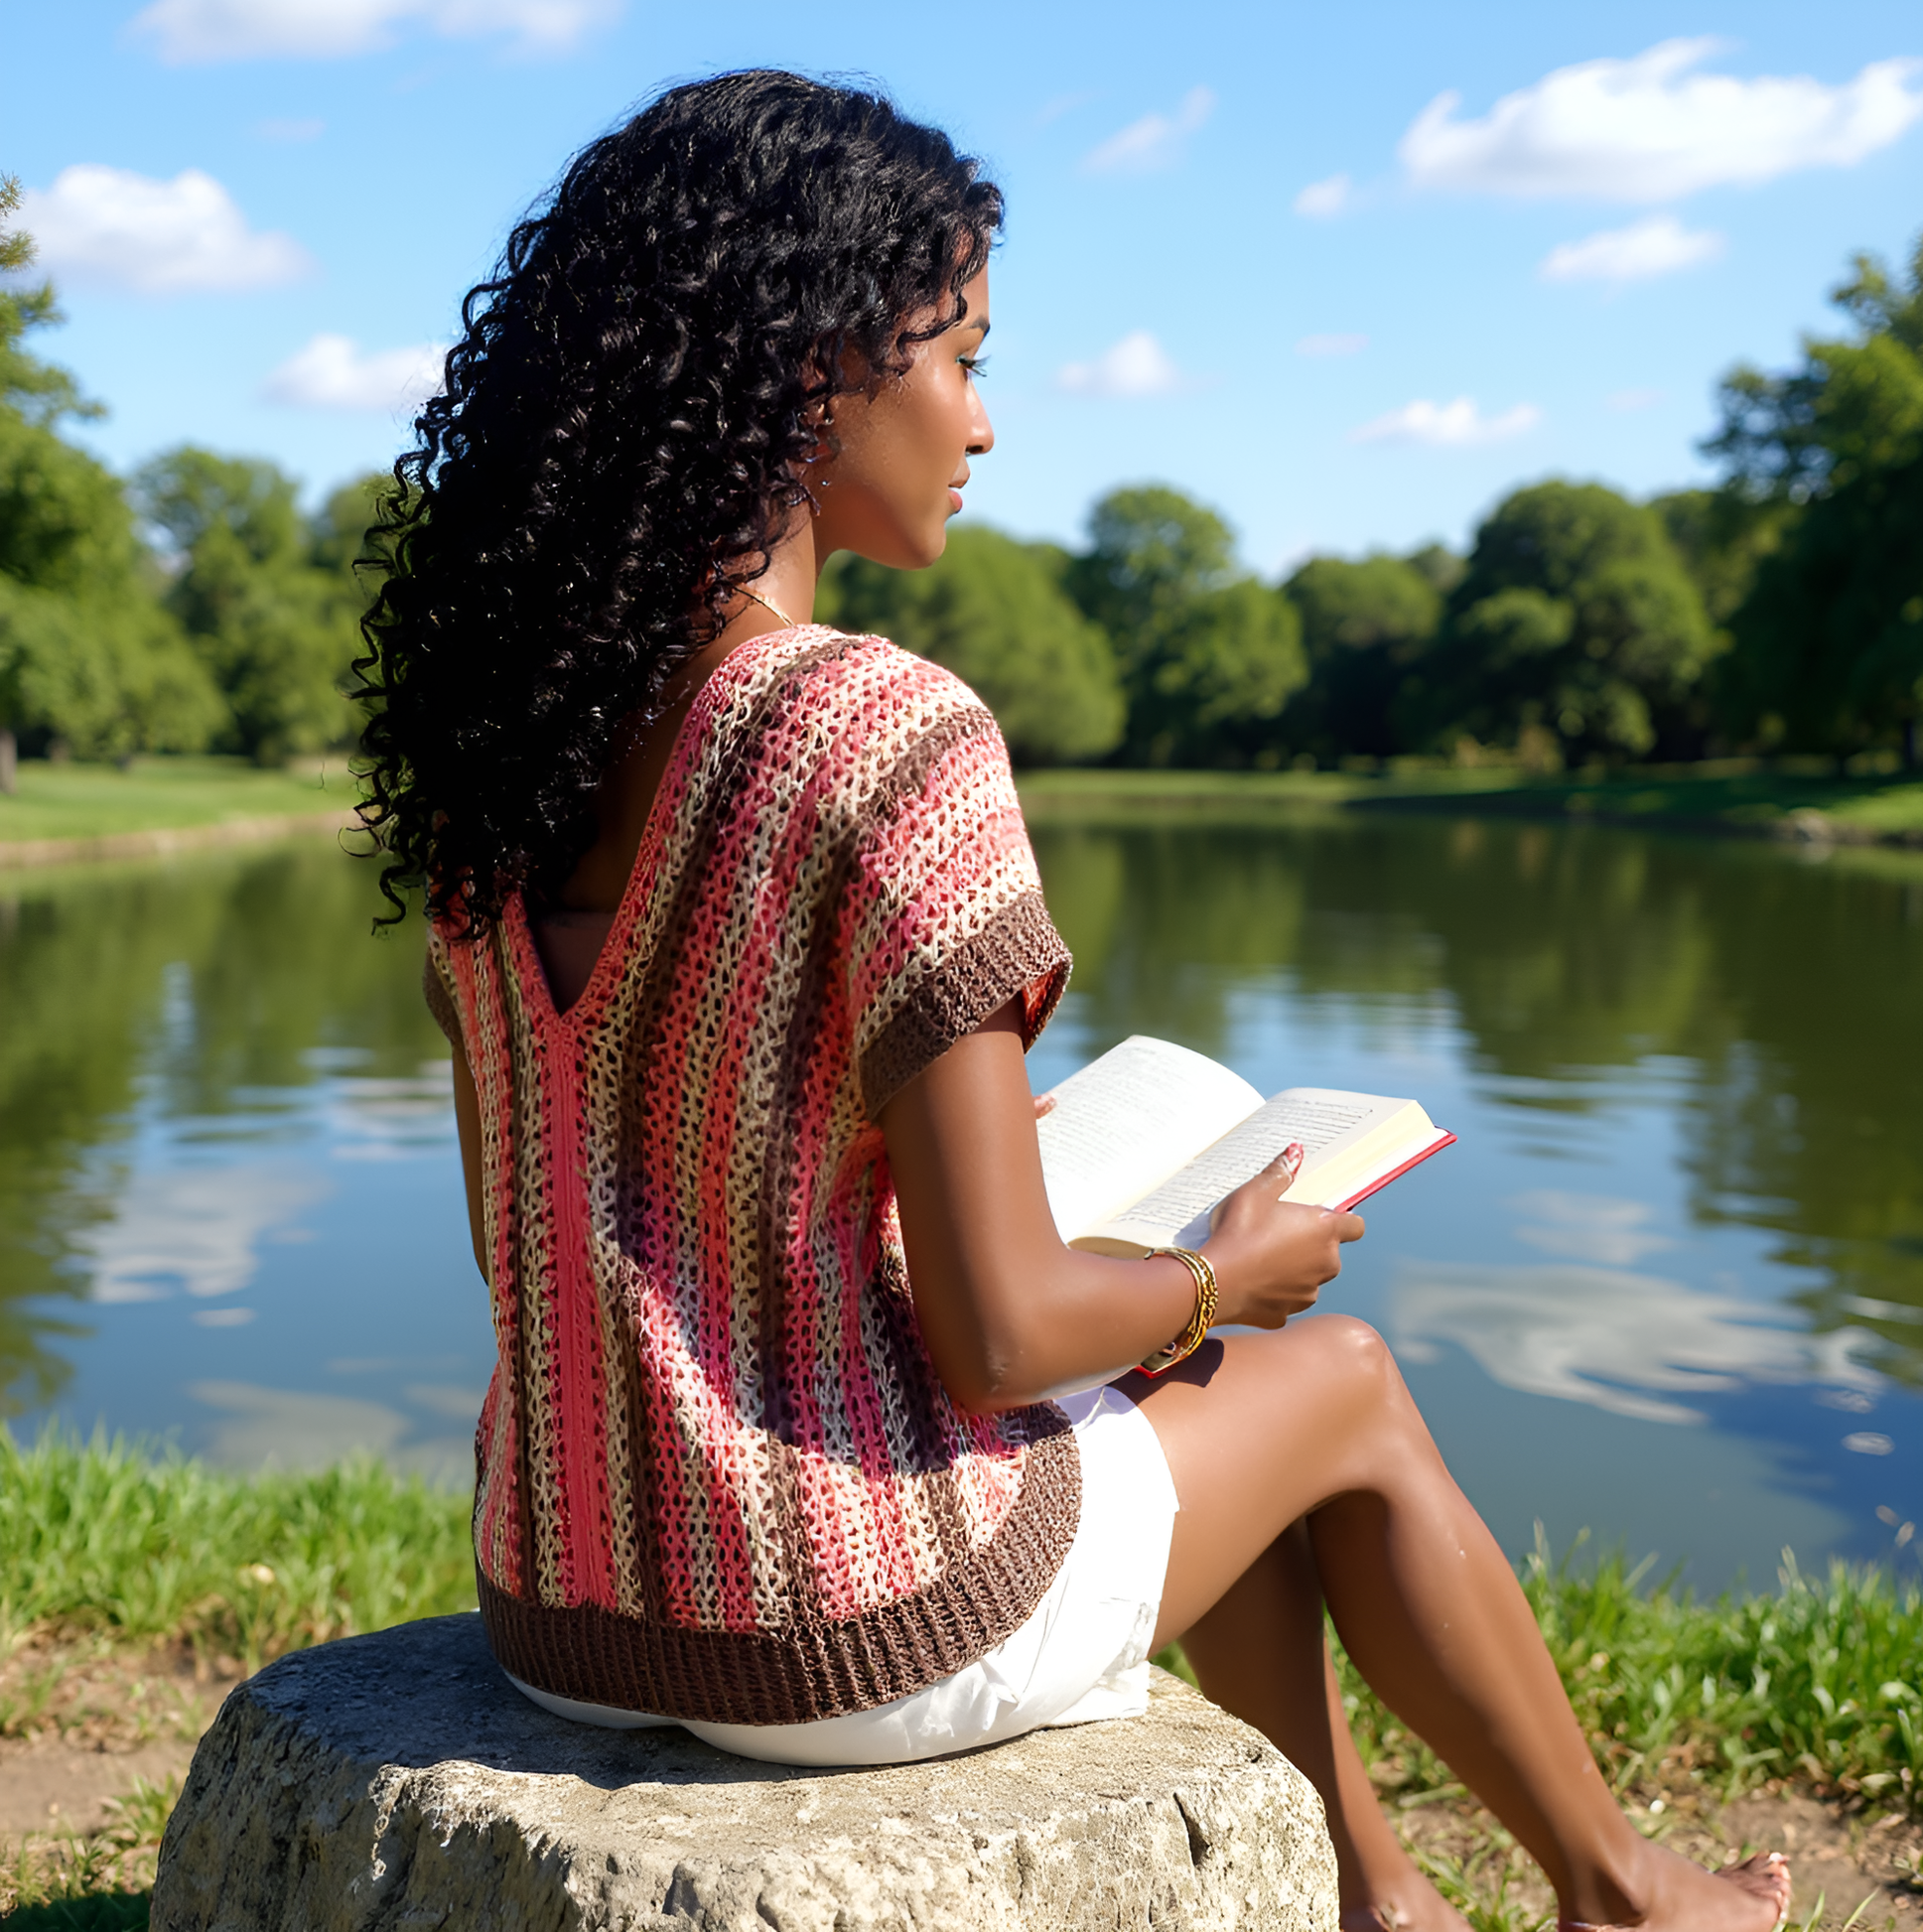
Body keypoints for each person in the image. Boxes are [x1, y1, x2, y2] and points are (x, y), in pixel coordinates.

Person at [357, 70, 1790, 1932]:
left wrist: (887, 1174)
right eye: (958, 355)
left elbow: (548, 1240)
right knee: (1335, 1382)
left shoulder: (498, 769)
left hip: (561, 1604)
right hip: (834, 1625)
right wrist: (1221, 1270)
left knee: (1169, 1406)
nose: (981, 417)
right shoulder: (882, 729)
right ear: (809, 370)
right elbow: (1006, 1335)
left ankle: (1375, 1893)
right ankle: (1623, 1893)